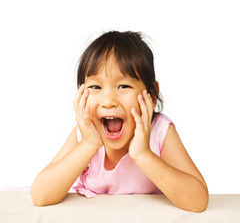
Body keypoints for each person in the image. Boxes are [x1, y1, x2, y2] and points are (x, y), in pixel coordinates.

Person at [31, 31, 208, 212]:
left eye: (124, 86)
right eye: (95, 87)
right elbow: (40, 196)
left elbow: (198, 201)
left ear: (152, 95)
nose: (108, 101)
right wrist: (87, 144)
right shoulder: (85, 133)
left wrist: (144, 154)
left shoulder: (159, 132)